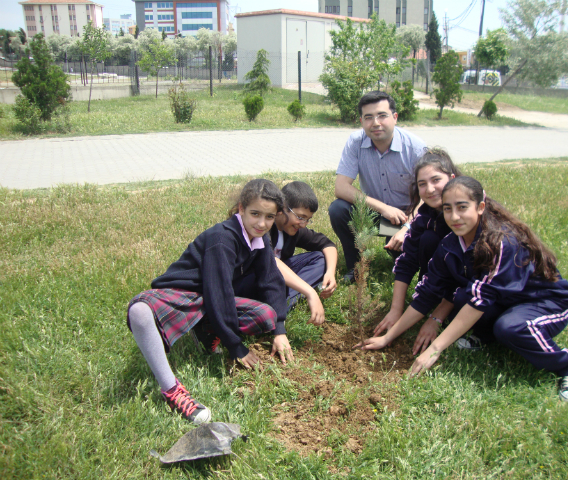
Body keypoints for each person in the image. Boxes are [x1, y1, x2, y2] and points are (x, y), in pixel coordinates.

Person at [359, 176, 568, 402]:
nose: (454, 217)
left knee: (510, 327)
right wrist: (388, 337)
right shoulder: (449, 245)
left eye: (462, 207)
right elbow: (427, 294)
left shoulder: (502, 242)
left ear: (480, 207)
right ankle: (487, 335)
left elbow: (480, 301)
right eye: (447, 209)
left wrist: (434, 350)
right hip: (504, 300)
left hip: (545, 302)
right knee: (461, 295)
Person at [126, 179, 294, 424]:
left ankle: (205, 331)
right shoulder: (222, 238)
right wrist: (236, 346)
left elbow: (271, 280)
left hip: (210, 295)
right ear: (241, 209)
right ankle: (172, 390)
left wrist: (279, 330)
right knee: (139, 312)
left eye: (269, 217)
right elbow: (219, 292)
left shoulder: (261, 238)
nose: (261, 223)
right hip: (186, 293)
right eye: (255, 214)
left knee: (266, 315)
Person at [328, 91, 426, 282]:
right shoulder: (355, 142)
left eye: (382, 115)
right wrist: (384, 208)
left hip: (408, 217)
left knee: (401, 257)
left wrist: (407, 226)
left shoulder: (415, 148)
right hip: (376, 215)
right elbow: (341, 187)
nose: (376, 123)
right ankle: (356, 268)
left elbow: (430, 196)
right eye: (369, 117)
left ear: (395, 117)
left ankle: (400, 251)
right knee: (338, 209)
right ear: (361, 121)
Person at [373, 148, 462, 337]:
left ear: (452, 178)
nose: (430, 189)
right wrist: (396, 309)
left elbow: (468, 277)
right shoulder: (426, 215)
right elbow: (407, 261)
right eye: (422, 184)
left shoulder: (465, 219)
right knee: (428, 238)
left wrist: (436, 318)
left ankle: (440, 303)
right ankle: (432, 296)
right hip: (448, 276)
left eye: (436, 180)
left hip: (482, 288)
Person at [271, 181, 338, 325]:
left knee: (321, 258)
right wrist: (310, 292)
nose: (303, 224)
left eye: (308, 220)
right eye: (300, 217)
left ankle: (284, 301)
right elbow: (269, 261)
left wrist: (330, 273)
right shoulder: (265, 225)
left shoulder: (294, 230)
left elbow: (327, 244)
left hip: (279, 278)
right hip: (256, 278)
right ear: (282, 207)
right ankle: (278, 306)